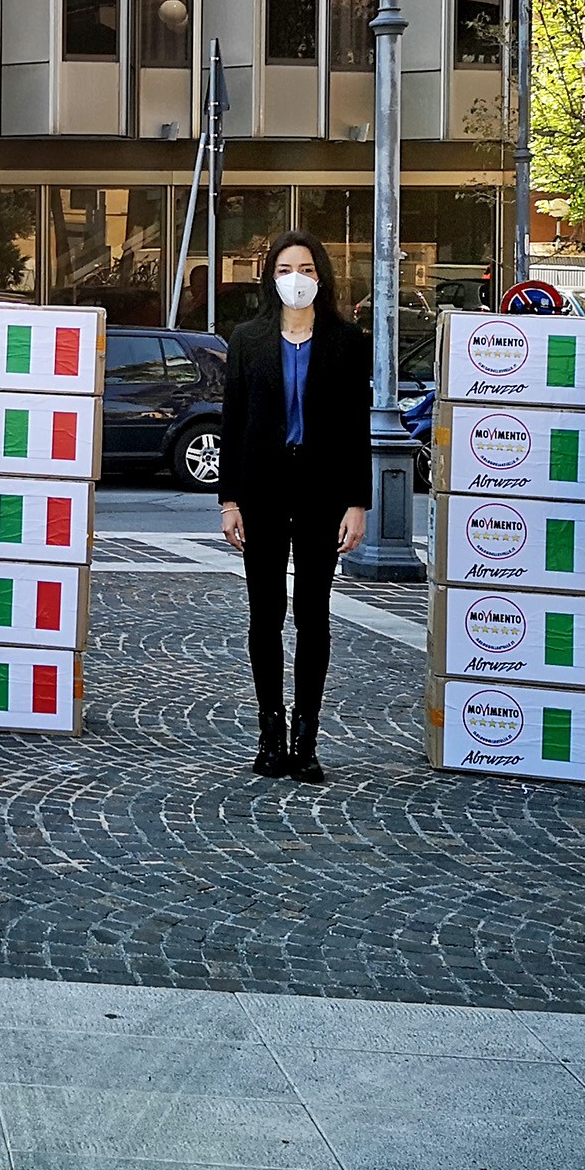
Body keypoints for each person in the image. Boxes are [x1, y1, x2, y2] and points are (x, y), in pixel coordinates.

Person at [216, 230, 370, 785]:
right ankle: (270, 734)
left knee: (312, 614)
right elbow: (233, 421)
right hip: (261, 489)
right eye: (284, 269)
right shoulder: (248, 339)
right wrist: (229, 500)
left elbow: (356, 427)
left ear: (320, 275)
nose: (295, 278)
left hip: (322, 491)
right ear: (271, 278)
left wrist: (357, 502)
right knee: (265, 614)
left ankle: (306, 738)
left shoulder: (347, 341)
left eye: (305, 268)